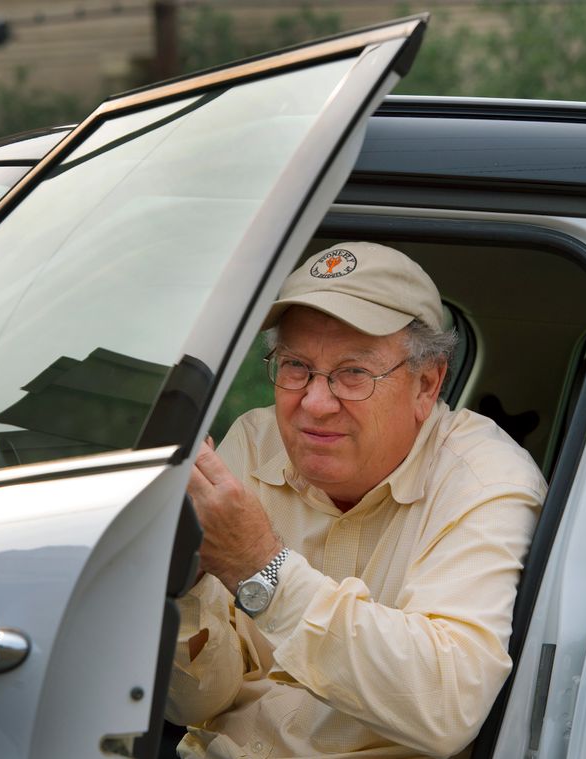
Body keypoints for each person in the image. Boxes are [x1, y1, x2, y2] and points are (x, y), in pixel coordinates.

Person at [166, 241, 547, 758]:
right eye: (295, 366)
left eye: (354, 374)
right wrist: (185, 588)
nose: (316, 404)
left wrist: (262, 569)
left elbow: (447, 707)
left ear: (426, 385)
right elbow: (190, 704)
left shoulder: (482, 478)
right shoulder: (254, 441)